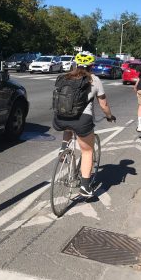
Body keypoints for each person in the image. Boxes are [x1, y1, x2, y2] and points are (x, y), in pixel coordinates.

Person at [53, 61, 116, 198]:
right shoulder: (94, 79)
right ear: (91, 67)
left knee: (69, 120)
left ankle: (64, 147)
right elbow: (103, 104)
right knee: (87, 151)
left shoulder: (65, 77)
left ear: (75, 65)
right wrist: (109, 116)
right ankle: (85, 187)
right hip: (82, 121)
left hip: (60, 117)